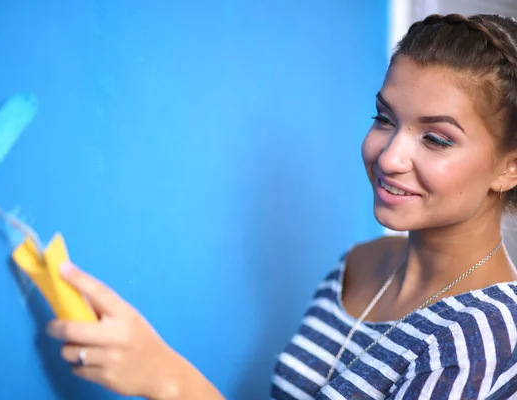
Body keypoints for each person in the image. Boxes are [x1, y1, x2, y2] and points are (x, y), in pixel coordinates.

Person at [45, 13, 517, 399]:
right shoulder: (359, 266)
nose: (390, 156)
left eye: (435, 139)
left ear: (509, 169)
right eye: (384, 119)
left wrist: (170, 381)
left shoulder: (484, 339)